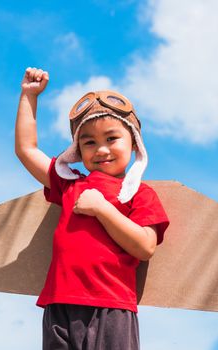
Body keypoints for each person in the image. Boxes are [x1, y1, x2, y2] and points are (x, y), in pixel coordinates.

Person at [15, 67, 169, 350]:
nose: (101, 150)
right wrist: (29, 96)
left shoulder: (139, 194)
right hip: (59, 305)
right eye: (89, 142)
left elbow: (146, 247)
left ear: (133, 142)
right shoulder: (70, 183)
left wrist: (102, 209)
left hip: (111, 307)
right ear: (77, 151)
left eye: (112, 139)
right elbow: (26, 150)